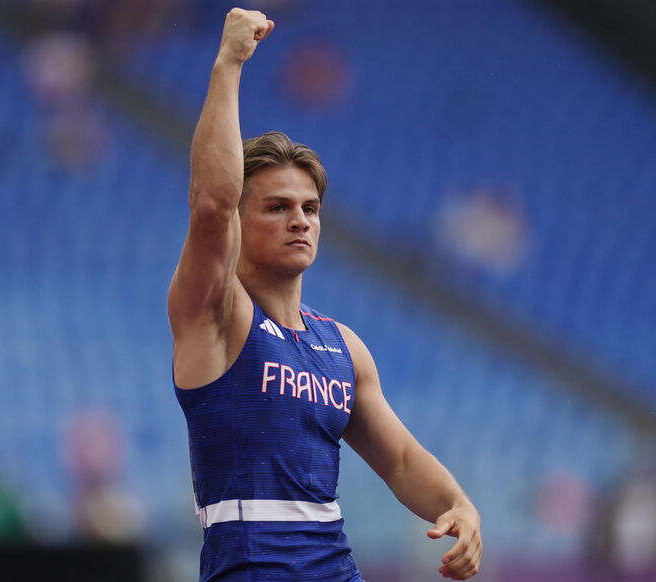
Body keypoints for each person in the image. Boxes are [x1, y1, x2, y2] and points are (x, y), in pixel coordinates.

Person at [168, 8, 482, 581]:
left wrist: (456, 503)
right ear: (242, 220)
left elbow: (403, 459)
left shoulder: (341, 348)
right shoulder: (218, 315)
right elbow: (212, 206)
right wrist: (229, 63)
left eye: (309, 209)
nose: (300, 221)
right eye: (278, 207)